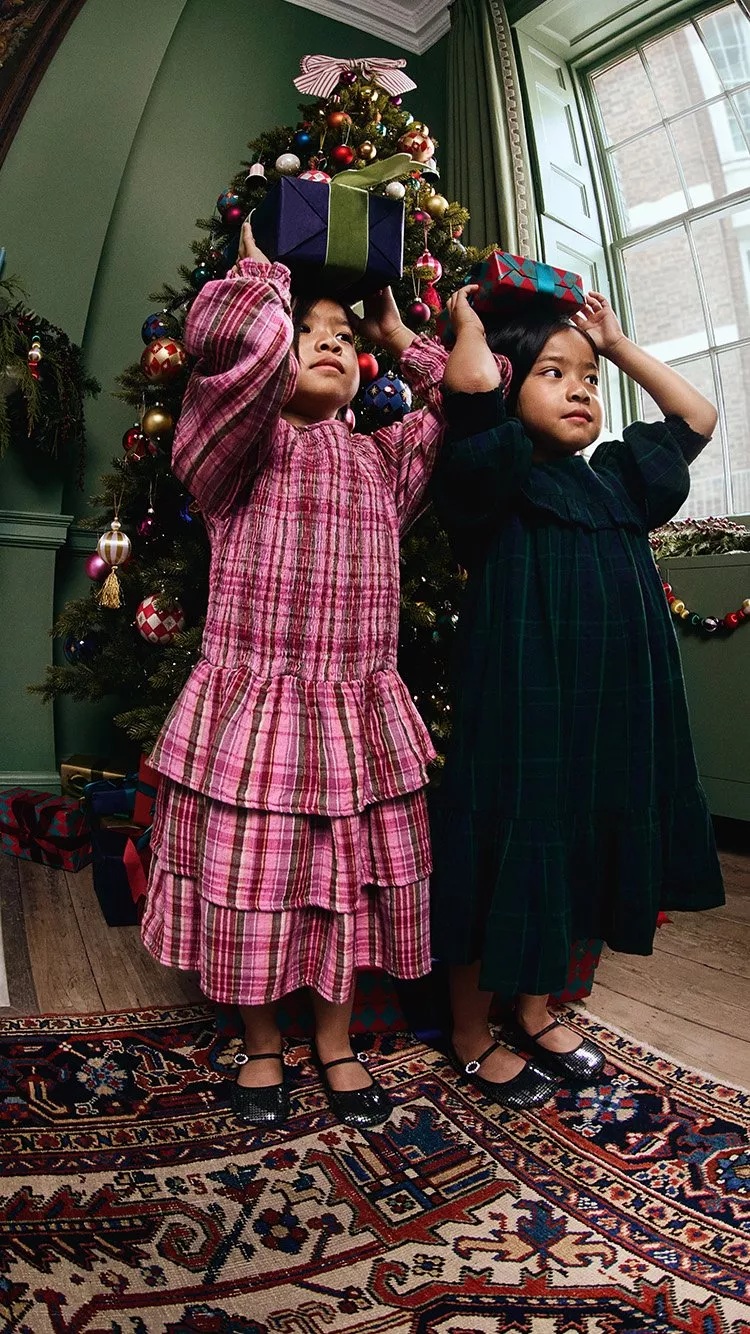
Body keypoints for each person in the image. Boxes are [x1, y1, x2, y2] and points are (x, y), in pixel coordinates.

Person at [141, 220, 509, 1129]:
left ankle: (334, 1040)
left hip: (354, 715)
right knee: (252, 889)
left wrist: (397, 336)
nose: (335, 344)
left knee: (338, 887)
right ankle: (265, 1043)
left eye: (348, 340)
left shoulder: (382, 461)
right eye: (319, 334)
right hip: (255, 710)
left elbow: (467, 399)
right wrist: (264, 269)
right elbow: (238, 359)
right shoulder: (236, 449)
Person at [429, 290, 725, 1109]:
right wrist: (471, 334)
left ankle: (534, 1007)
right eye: (553, 373)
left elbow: (697, 415)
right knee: (507, 851)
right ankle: (467, 1031)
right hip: (526, 713)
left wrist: (618, 346)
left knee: (578, 855)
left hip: (613, 717)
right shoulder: (496, 474)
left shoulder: (619, 481)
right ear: (507, 382)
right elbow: (470, 406)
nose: (579, 389)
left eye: (587, 378)